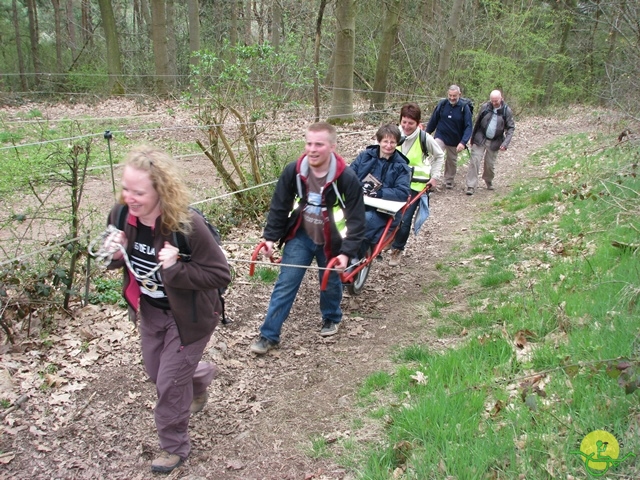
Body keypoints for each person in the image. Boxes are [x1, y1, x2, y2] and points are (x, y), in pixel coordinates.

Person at [104, 146, 231, 473]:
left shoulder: (187, 225)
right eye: (126, 189)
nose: (129, 198)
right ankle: (200, 376)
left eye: (139, 192)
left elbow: (220, 274)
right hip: (150, 312)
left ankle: (174, 447)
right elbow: (118, 260)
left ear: (161, 190)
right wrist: (114, 253)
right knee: (157, 372)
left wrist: (175, 268)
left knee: (170, 384)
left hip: (189, 318)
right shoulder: (120, 216)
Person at [250, 122, 366, 355]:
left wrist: (345, 253)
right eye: (309, 143)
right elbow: (279, 206)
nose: (312, 149)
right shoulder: (294, 171)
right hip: (301, 235)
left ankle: (332, 317)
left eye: (319, 144)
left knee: (330, 282)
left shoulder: (347, 178)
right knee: (286, 283)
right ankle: (269, 335)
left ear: (332, 146)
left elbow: (357, 222)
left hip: (331, 239)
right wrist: (270, 238)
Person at [388, 103, 444, 266]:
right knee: (386, 215)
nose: (406, 126)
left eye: (410, 123)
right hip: (393, 183)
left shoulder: (424, 138)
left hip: (415, 186)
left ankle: (397, 249)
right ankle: (385, 241)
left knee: (405, 219)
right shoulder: (393, 135)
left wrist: (435, 177)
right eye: (404, 122)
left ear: (418, 123)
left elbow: (439, 156)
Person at [349, 124, 411, 249]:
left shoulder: (401, 166)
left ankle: (357, 253)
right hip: (358, 202)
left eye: (392, 142)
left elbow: (402, 192)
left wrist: (380, 193)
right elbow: (349, 176)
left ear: (397, 143)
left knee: (365, 220)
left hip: (381, 211)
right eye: (385, 141)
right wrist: (360, 187)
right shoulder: (365, 156)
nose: (388, 146)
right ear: (379, 141)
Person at [465, 90, 515, 194]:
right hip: (481, 138)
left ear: (501, 98)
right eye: (492, 101)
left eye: (496, 101)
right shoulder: (485, 107)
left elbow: (510, 128)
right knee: (474, 161)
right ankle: (470, 185)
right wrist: (472, 138)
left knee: (489, 164)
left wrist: (505, 143)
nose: (494, 103)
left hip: (495, 141)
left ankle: (488, 180)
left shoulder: (507, 111)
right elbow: (477, 122)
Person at [425, 85, 473, 189]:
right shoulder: (442, 104)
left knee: (452, 160)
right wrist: (426, 134)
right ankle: (431, 180)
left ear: (459, 94)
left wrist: (463, 142)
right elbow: (434, 120)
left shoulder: (464, 107)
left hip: (455, 139)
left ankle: (449, 180)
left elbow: (469, 126)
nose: (452, 98)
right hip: (441, 136)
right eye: (450, 95)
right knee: (435, 156)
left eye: (454, 96)